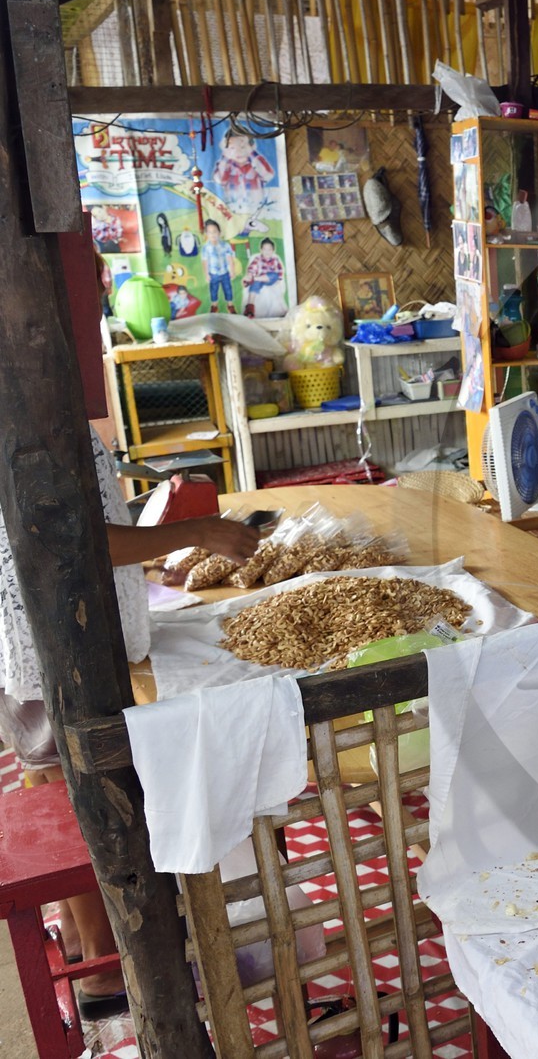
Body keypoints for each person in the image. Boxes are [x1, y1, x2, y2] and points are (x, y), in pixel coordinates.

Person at [0, 428, 259, 1015]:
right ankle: (105, 971)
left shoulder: (38, 407)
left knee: (56, 784)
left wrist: (150, 543)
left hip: (41, 639)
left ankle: (79, 939)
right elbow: (70, 537)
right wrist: (199, 531)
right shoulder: (24, 410)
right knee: (84, 800)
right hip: (48, 644)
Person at [201, 218, 235, 314]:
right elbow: (205, 261)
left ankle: (230, 305)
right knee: (213, 291)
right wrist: (206, 274)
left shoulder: (225, 245)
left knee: (228, 289)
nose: (212, 234)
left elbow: (229, 258)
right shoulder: (206, 248)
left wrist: (232, 270)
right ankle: (214, 306)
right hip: (213, 274)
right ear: (206, 234)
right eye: (210, 232)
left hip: (225, 273)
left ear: (219, 233)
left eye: (215, 231)